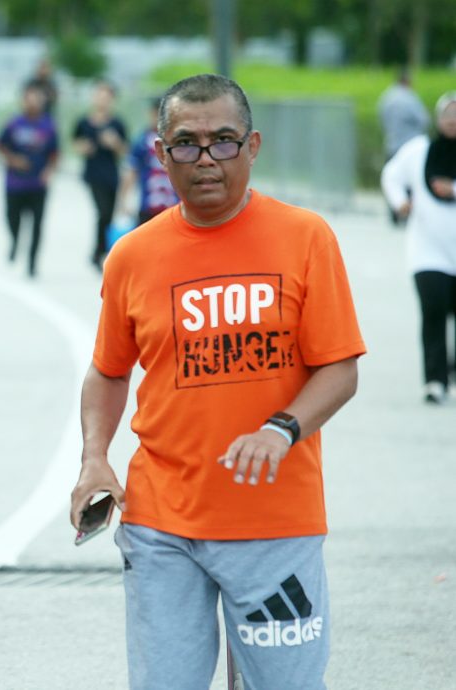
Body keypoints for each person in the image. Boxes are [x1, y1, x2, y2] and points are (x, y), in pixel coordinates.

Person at [70, 74, 365, 689]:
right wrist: (94, 457)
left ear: (253, 146)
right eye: (186, 143)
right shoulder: (133, 255)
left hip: (275, 522)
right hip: (162, 523)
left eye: (224, 141)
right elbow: (107, 370)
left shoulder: (306, 237)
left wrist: (281, 430)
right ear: (160, 154)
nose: (206, 160)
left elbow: (339, 368)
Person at [381, 92, 456, 405]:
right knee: (433, 310)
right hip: (427, 251)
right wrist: (401, 203)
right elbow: (391, 176)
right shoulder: (417, 151)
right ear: (438, 120)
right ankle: (434, 380)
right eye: (448, 116)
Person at [0, 82, 59, 278]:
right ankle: (15, 240)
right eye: (29, 97)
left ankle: (32, 263)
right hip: (15, 183)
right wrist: (13, 160)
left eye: (37, 97)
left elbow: (55, 153)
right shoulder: (14, 123)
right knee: (12, 218)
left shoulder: (48, 125)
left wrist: (48, 172)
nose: (33, 101)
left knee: (37, 224)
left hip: (37, 184)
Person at [73, 80, 129, 267]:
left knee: (109, 214)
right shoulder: (84, 122)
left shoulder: (117, 123)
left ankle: (101, 250)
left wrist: (114, 144)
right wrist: (84, 148)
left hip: (111, 174)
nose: (102, 100)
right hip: (93, 174)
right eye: (99, 95)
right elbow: (75, 143)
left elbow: (125, 151)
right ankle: (100, 251)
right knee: (103, 212)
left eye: (107, 96)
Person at [378, 68, 430, 227]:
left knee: (391, 178)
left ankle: (394, 214)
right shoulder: (410, 98)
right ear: (407, 81)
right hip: (409, 145)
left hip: (392, 144)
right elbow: (424, 120)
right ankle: (407, 214)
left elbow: (382, 119)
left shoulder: (386, 97)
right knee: (409, 181)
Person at [120, 96, 179, 226]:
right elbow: (130, 171)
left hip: (174, 208)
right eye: (155, 113)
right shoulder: (141, 141)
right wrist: (123, 201)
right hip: (148, 207)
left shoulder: (178, 140)